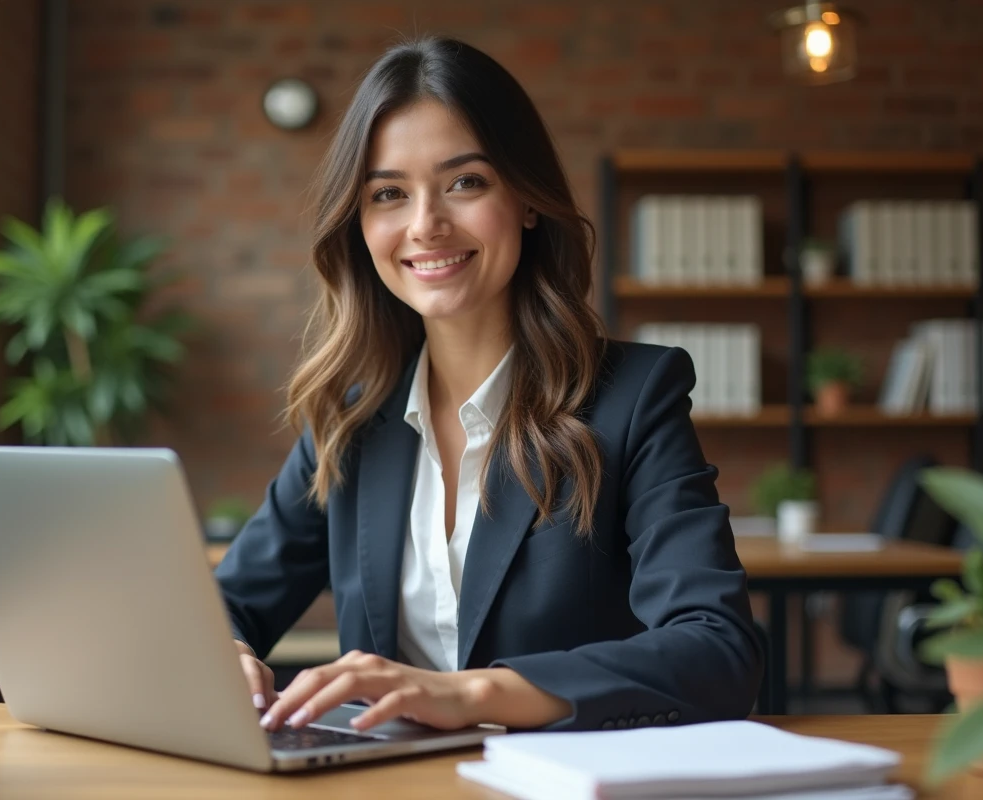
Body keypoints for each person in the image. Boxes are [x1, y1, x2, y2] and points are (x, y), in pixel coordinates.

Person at [214, 36, 762, 735]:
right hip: (391, 780)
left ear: (526, 199)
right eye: (388, 194)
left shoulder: (634, 397)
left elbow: (717, 650)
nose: (425, 225)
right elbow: (228, 603)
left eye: (465, 182)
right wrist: (224, 651)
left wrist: (471, 695)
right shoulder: (350, 422)